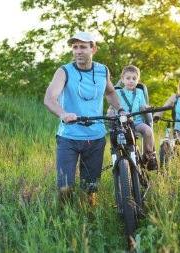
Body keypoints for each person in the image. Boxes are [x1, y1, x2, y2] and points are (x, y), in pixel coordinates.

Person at [44, 32, 127, 206]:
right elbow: (50, 98)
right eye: (75, 47)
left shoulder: (102, 70)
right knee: (65, 188)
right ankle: (64, 221)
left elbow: (110, 92)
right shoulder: (64, 71)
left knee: (90, 189)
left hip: (95, 137)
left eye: (82, 47)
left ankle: (89, 220)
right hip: (69, 137)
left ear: (93, 49)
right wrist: (63, 114)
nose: (78, 51)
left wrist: (119, 109)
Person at [107, 65, 158, 171]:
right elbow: (111, 108)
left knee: (148, 131)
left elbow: (142, 106)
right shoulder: (117, 93)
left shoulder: (139, 92)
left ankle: (148, 155)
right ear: (122, 79)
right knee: (113, 137)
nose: (131, 81)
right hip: (120, 123)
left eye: (134, 79)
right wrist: (110, 113)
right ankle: (116, 160)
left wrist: (146, 107)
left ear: (138, 80)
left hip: (137, 122)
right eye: (128, 78)